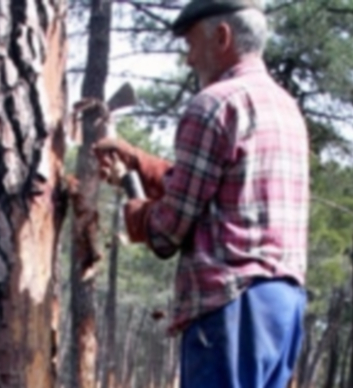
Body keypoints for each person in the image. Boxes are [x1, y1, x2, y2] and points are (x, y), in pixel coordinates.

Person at [93, 0, 310, 386]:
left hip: (232, 304)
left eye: (192, 45)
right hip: (283, 306)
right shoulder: (285, 108)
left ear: (223, 37)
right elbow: (214, 186)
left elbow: (165, 233)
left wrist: (134, 206)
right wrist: (138, 162)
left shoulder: (213, 105)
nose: (189, 60)